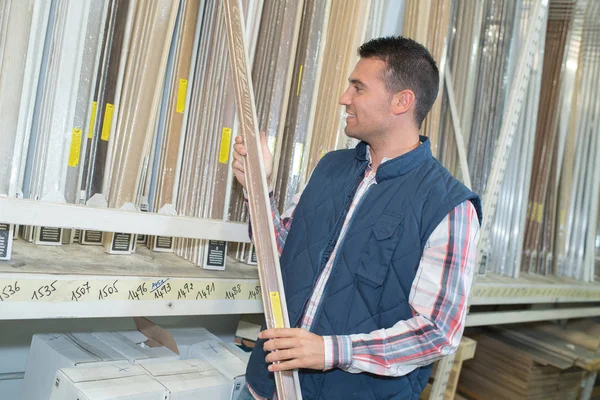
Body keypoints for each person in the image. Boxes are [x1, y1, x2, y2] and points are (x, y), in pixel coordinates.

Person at [232, 36, 482, 400]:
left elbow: (437, 331)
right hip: (266, 386)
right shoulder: (331, 167)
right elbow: (283, 252)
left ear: (402, 101)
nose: (344, 97)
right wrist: (257, 186)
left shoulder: (449, 206)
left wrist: (333, 352)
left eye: (358, 87)